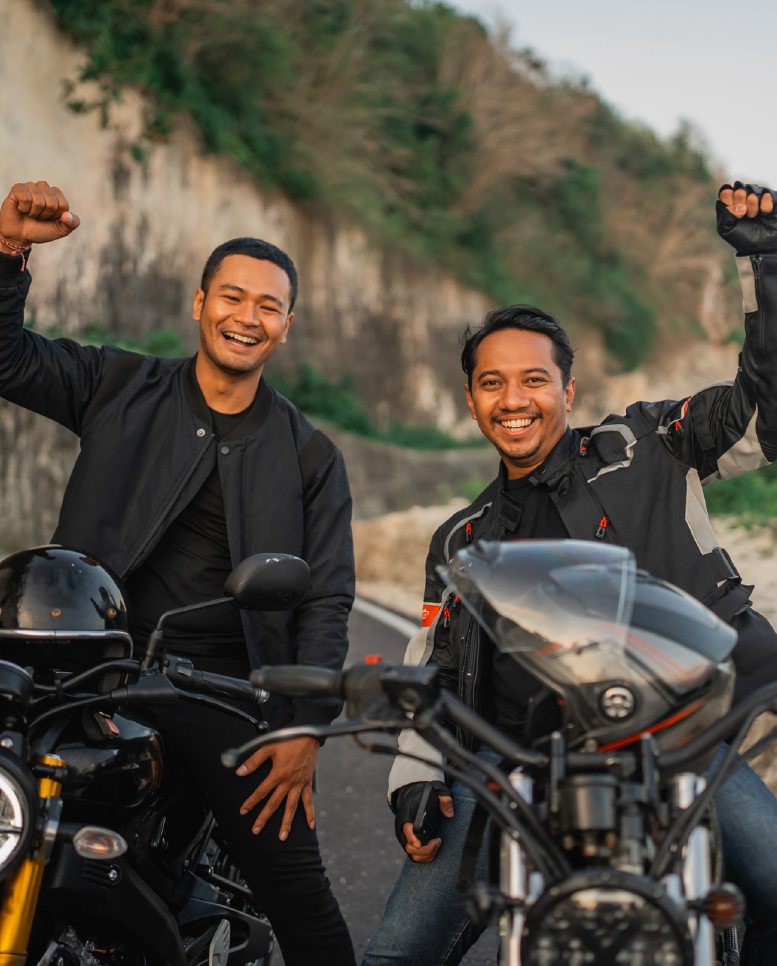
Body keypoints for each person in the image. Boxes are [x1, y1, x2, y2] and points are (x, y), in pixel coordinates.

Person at [362, 182, 777, 966]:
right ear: (471, 399)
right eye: (492, 383)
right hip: (510, 771)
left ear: (567, 389)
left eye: (532, 380)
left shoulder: (648, 442)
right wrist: (411, 786)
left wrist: (764, 263)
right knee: (392, 954)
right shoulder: (459, 540)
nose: (513, 399)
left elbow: (765, 416)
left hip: (678, 744)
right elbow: (431, 675)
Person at [0, 181, 357, 966]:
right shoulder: (116, 384)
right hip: (81, 666)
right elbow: (8, 357)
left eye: (267, 306)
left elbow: (326, 596)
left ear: (285, 327)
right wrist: (9, 253)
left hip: (217, 689)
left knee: (300, 899)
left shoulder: (309, 457)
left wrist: (303, 728)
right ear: (199, 304)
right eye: (232, 296)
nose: (247, 316)